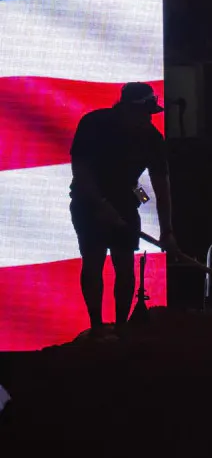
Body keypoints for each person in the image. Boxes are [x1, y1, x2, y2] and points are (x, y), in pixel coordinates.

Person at [69, 83, 177, 336]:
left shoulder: (151, 139)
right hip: (88, 201)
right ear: (125, 109)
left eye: (150, 114)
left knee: (125, 264)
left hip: (125, 200)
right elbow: (81, 172)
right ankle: (96, 327)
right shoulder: (94, 124)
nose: (147, 119)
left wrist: (168, 232)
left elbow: (162, 188)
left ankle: (121, 328)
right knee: (93, 260)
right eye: (142, 113)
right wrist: (100, 205)